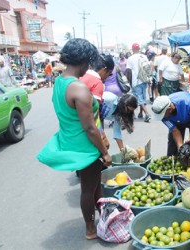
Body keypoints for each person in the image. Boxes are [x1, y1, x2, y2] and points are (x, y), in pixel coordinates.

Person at [36, 38, 112, 240]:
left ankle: (101, 216)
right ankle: (90, 229)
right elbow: (88, 126)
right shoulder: (78, 88)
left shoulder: (59, 82)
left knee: (94, 185)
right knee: (88, 189)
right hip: (84, 148)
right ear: (84, 61)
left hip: (70, 141)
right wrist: (104, 152)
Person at [151, 92, 190, 156]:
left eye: (163, 115)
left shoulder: (187, 103)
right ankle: (175, 160)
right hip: (178, 119)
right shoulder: (162, 113)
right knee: (173, 146)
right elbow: (175, 131)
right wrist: (180, 149)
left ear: (169, 109)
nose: (162, 118)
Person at [80, 53, 114, 148]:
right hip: (88, 130)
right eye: (109, 74)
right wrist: (103, 138)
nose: (108, 77)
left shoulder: (81, 76)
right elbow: (94, 114)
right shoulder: (97, 82)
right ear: (105, 70)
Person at [126, 42, 151, 122]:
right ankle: (140, 113)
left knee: (139, 98)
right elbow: (148, 68)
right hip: (144, 79)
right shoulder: (144, 56)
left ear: (133, 49)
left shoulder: (130, 58)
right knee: (143, 97)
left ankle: (147, 114)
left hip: (136, 81)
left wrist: (128, 82)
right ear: (139, 49)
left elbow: (128, 72)